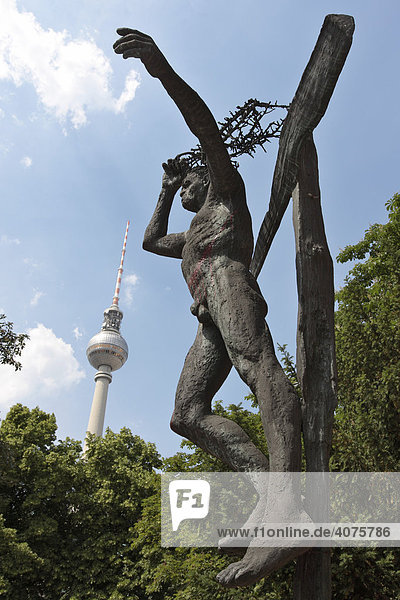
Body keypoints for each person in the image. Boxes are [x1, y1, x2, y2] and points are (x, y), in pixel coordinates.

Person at [114, 29, 308, 587]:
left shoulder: (226, 193)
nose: (186, 193)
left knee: (260, 372)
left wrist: (159, 67)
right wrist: (165, 188)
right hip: (207, 313)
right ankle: (265, 491)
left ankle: (288, 509)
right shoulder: (189, 233)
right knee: (186, 414)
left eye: (189, 183)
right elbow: (151, 241)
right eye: (182, 191)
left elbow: (205, 128)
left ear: (209, 177)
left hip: (230, 285)